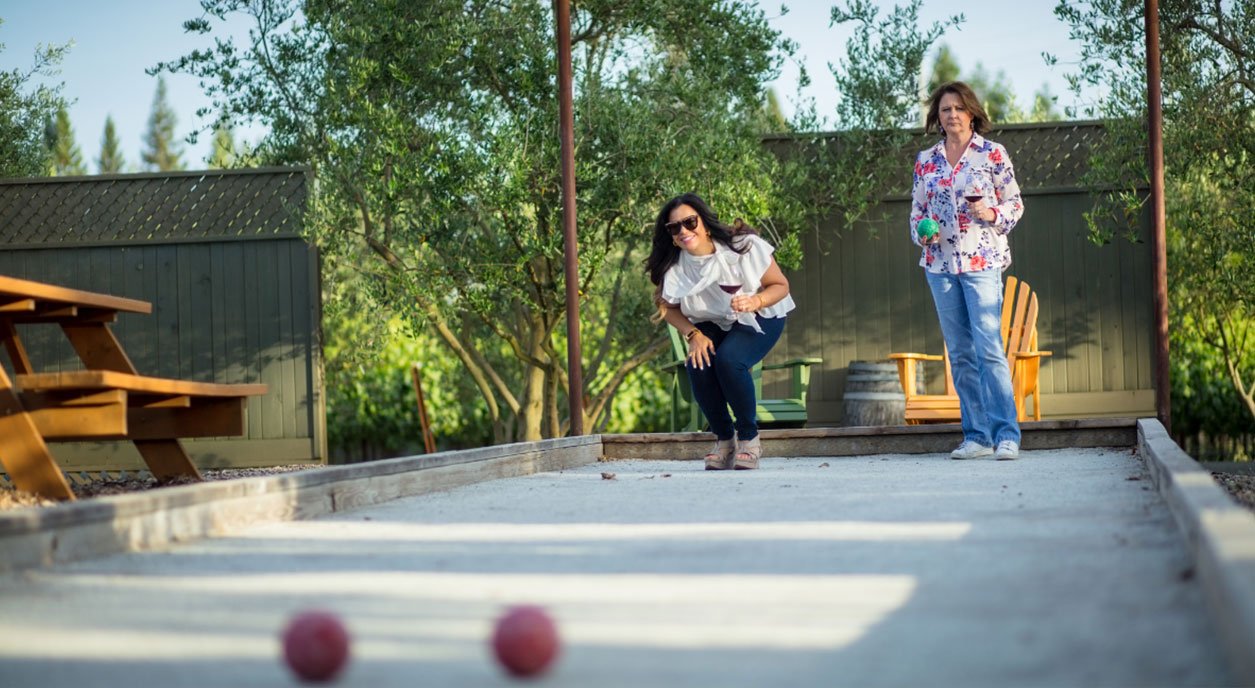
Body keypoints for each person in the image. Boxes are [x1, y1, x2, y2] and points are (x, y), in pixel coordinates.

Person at [910, 81, 1026, 461]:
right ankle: (976, 436)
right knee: (960, 353)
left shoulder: (992, 154)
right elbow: (917, 214)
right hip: (940, 266)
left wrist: (992, 214)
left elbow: (1015, 204)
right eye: (945, 110)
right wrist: (923, 234)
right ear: (938, 118)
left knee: (989, 349)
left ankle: (1006, 434)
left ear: (972, 113)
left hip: (982, 263)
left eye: (959, 108)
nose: (953, 115)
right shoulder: (926, 160)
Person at [645, 192, 795, 470]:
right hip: (713, 320)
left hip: (762, 312)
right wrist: (693, 335)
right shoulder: (676, 266)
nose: (684, 231)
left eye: (690, 222)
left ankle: (749, 440)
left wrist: (756, 300)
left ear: (704, 220)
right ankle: (725, 441)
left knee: (729, 360)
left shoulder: (743, 247)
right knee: (698, 364)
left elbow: (780, 285)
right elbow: (667, 308)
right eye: (674, 227)